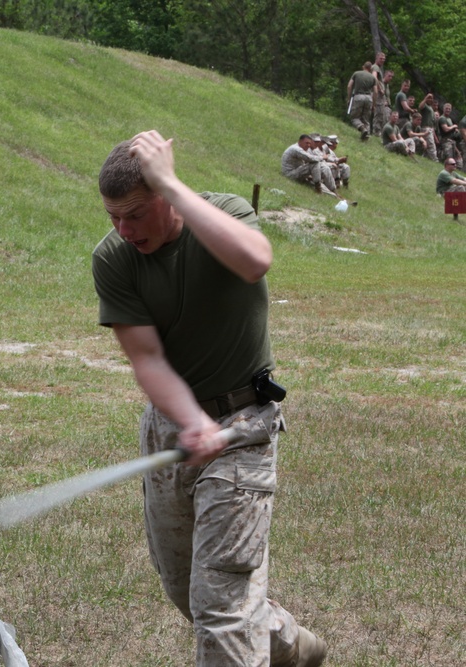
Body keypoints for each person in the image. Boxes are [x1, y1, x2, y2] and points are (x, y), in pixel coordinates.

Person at [92, 130, 328, 667]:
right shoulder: (114, 259)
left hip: (244, 426)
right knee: (187, 591)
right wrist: (189, 419)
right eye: (113, 218)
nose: (124, 231)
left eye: (134, 214)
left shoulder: (224, 213)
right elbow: (147, 358)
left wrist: (172, 183)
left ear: (166, 198)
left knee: (220, 605)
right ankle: (291, 646)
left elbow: (254, 260)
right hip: (173, 428)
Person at [346, 62, 378, 140]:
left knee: (354, 118)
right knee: (366, 119)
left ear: (363, 67)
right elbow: (376, 92)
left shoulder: (356, 73)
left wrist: (349, 98)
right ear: (370, 69)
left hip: (358, 97)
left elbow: (349, 86)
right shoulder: (373, 78)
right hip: (368, 98)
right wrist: (374, 104)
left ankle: (362, 128)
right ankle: (366, 136)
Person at [437, 103, 462, 168]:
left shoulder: (449, 119)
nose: (448, 110)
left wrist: (455, 130)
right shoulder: (442, 118)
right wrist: (453, 126)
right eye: (446, 109)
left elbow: (451, 129)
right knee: (449, 158)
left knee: (457, 157)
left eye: (449, 109)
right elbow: (446, 129)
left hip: (452, 141)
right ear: (443, 109)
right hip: (446, 141)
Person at [372, 69, 394, 137]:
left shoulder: (387, 85)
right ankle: (376, 133)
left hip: (387, 107)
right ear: (385, 75)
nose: (391, 78)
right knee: (379, 119)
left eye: (392, 77)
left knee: (386, 121)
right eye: (389, 76)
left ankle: (383, 135)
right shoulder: (381, 84)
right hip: (380, 105)